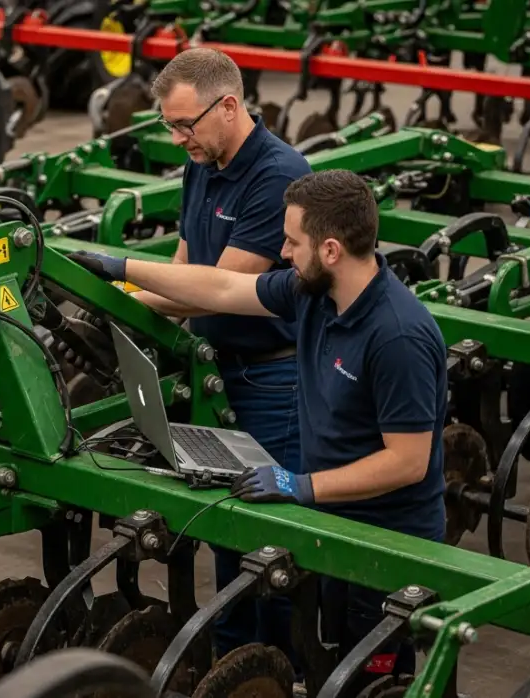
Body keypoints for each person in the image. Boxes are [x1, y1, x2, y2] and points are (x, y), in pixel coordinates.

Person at [68, 169, 448, 692]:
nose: (284, 252)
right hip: (332, 526)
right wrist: (118, 270)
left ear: (331, 249)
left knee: (372, 684)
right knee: (323, 667)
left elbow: (408, 462)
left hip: (385, 549)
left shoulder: (397, 336)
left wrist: (300, 485)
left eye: (293, 242)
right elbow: (223, 286)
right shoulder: (313, 293)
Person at [139, 47, 313, 663]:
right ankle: (235, 665)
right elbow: (188, 263)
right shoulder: (203, 160)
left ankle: (286, 667)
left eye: (186, 124)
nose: (178, 137)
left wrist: (120, 287)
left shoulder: (277, 177)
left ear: (230, 105)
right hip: (215, 372)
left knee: (271, 535)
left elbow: (221, 290)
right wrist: (136, 299)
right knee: (222, 524)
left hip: (272, 383)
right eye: (170, 125)